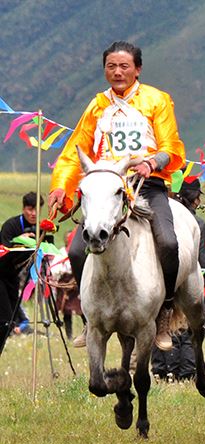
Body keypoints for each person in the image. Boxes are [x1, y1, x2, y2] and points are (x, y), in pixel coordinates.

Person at [48, 41, 185, 352]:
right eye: (111, 66)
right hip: (103, 189)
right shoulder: (97, 106)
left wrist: (152, 163)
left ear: (137, 69)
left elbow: (172, 147)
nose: (118, 72)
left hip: (145, 185)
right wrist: (61, 187)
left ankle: (164, 310)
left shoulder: (157, 100)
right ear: (105, 70)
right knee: (78, 250)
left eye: (124, 66)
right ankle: (89, 316)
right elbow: (74, 152)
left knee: (169, 241)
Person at [151, 178, 205, 380]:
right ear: (196, 199)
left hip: (168, 274)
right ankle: (185, 373)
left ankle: (161, 370)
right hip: (189, 274)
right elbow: (203, 259)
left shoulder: (179, 221)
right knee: (184, 332)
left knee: (163, 324)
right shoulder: (199, 223)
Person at [0, 192, 42, 352]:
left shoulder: (39, 228)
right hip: (1, 276)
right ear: (24, 209)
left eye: (36, 209)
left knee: (11, 320)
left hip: (13, 277)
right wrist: (20, 240)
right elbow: (4, 249)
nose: (33, 213)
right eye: (29, 209)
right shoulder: (11, 225)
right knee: (5, 322)